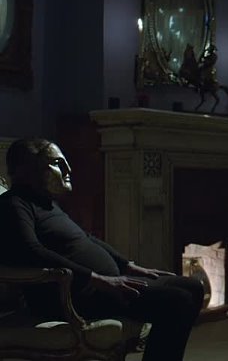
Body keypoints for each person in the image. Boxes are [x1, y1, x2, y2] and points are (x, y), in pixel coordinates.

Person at [0, 138, 204, 361]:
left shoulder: (47, 203)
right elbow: (31, 252)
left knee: (193, 286)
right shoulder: (14, 204)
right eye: (58, 163)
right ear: (29, 169)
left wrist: (128, 266)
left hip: (102, 285)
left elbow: (86, 238)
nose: (68, 170)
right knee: (178, 301)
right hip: (74, 295)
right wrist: (96, 278)